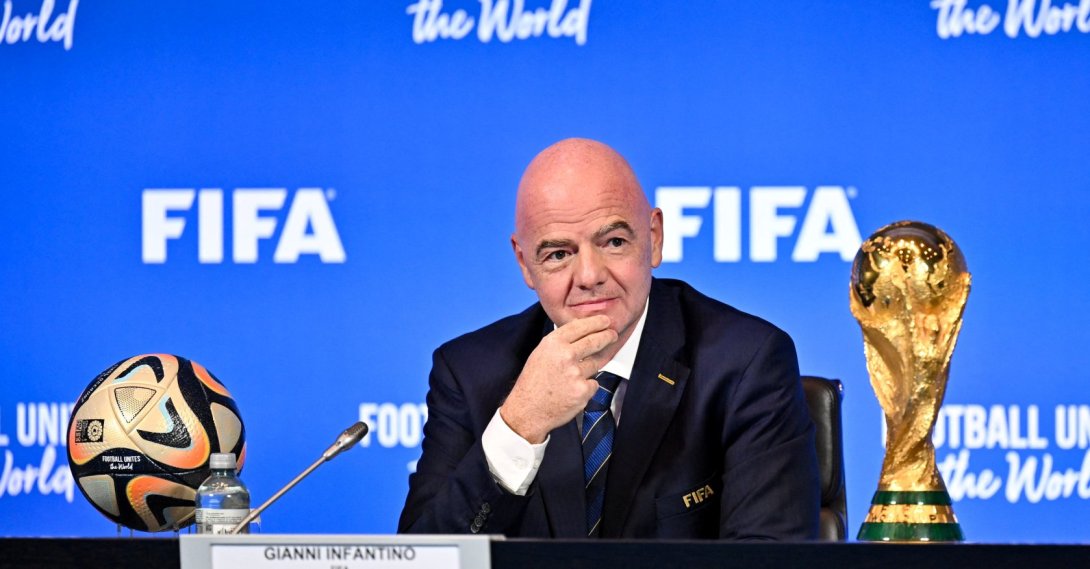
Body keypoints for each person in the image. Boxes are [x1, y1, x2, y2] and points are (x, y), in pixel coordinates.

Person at [398, 138, 820, 539]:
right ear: (525, 265)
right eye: (558, 254)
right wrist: (520, 425)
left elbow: (769, 556)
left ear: (653, 239)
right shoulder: (470, 373)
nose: (589, 276)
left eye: (614, 242)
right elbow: (425, 559)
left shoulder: (746, 363)